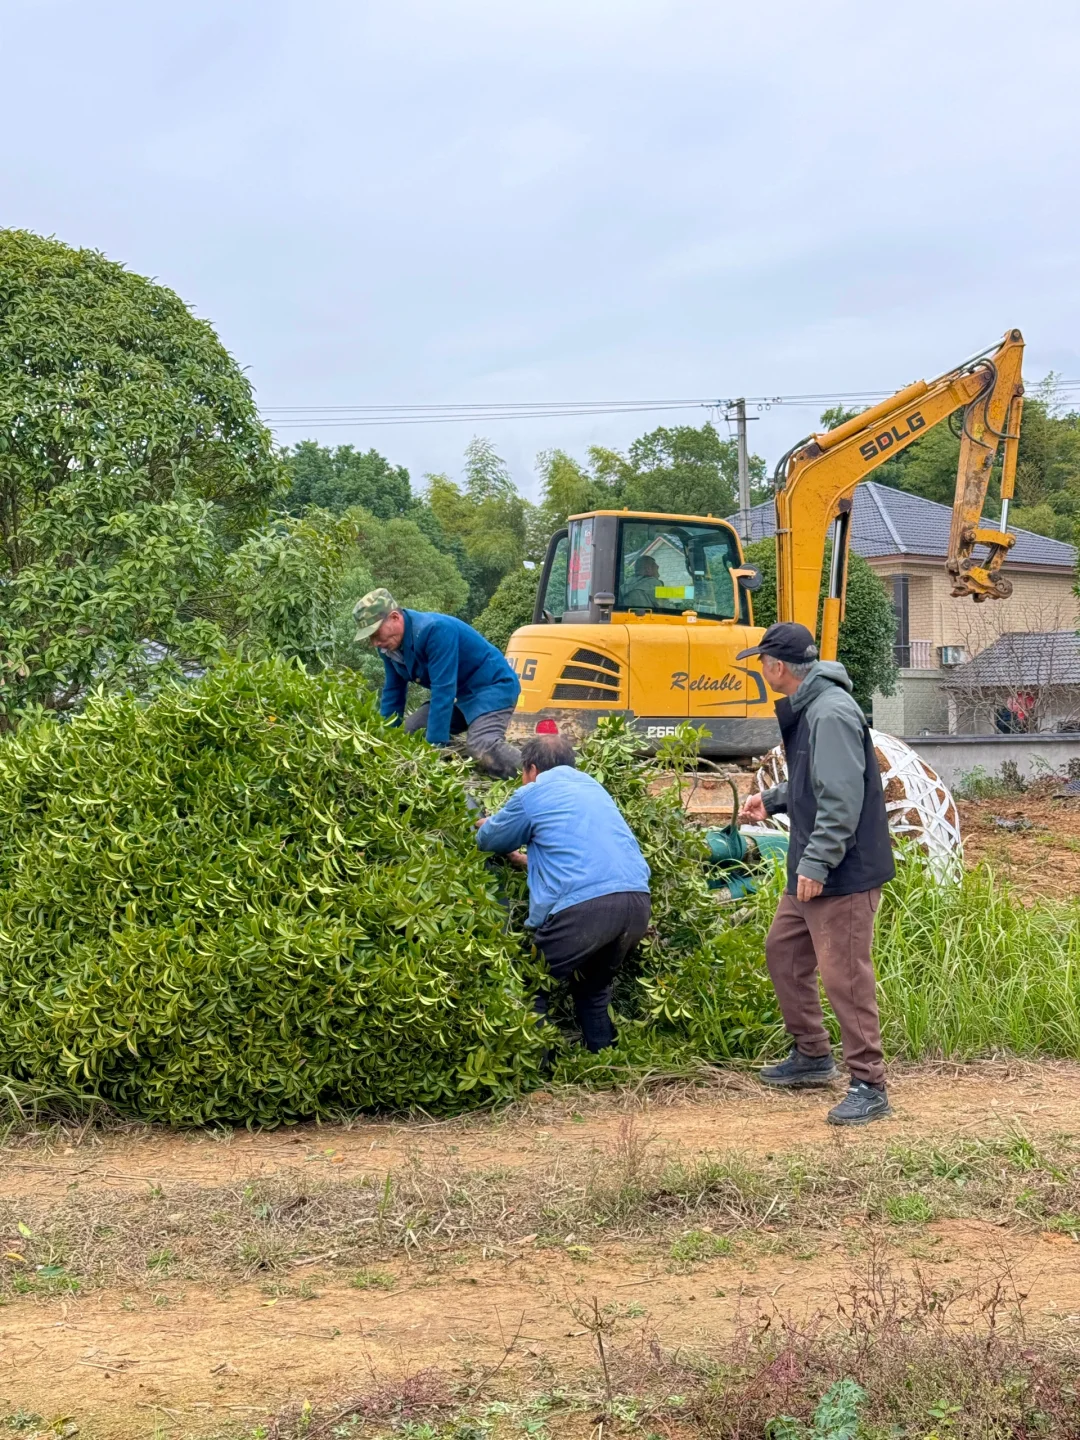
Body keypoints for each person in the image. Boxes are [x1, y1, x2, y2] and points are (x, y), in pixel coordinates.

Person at [737, 622, 896, 1126]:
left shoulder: (830, 712)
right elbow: (817, 780)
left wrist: (817, 862)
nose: (761, 670)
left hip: (841, 871)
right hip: (817, 865)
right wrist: (774, 799)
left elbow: (842, 798)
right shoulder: (812, 706)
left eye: (762, 662)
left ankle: (869, 1084)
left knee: (845, 976)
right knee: (784, 952)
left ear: (778, 667)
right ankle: (812, 1054)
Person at [476, 732, 651, 1052]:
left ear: (531, 769)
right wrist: (527, 861)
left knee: (532, 983)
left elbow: (490, 840)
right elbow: (582, 852)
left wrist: (483, 823)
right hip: (636, 903)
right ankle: (604, 1063)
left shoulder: (533, 792)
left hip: (586, 909)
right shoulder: (594, 788)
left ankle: (536, 1070)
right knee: (592, 990)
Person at [353, 588, 522, 778]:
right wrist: (383, 740)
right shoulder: (388, 647)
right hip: (460, 695)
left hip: (492, 687)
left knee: (481, 746)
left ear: (394, 617)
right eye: (370, 637)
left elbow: (443, 690)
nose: (375, 642)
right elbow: (393, 692)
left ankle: (538, 772)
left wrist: (434, 749)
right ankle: (452, 763)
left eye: (376, 633)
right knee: (409, 731)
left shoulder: (434, 630)